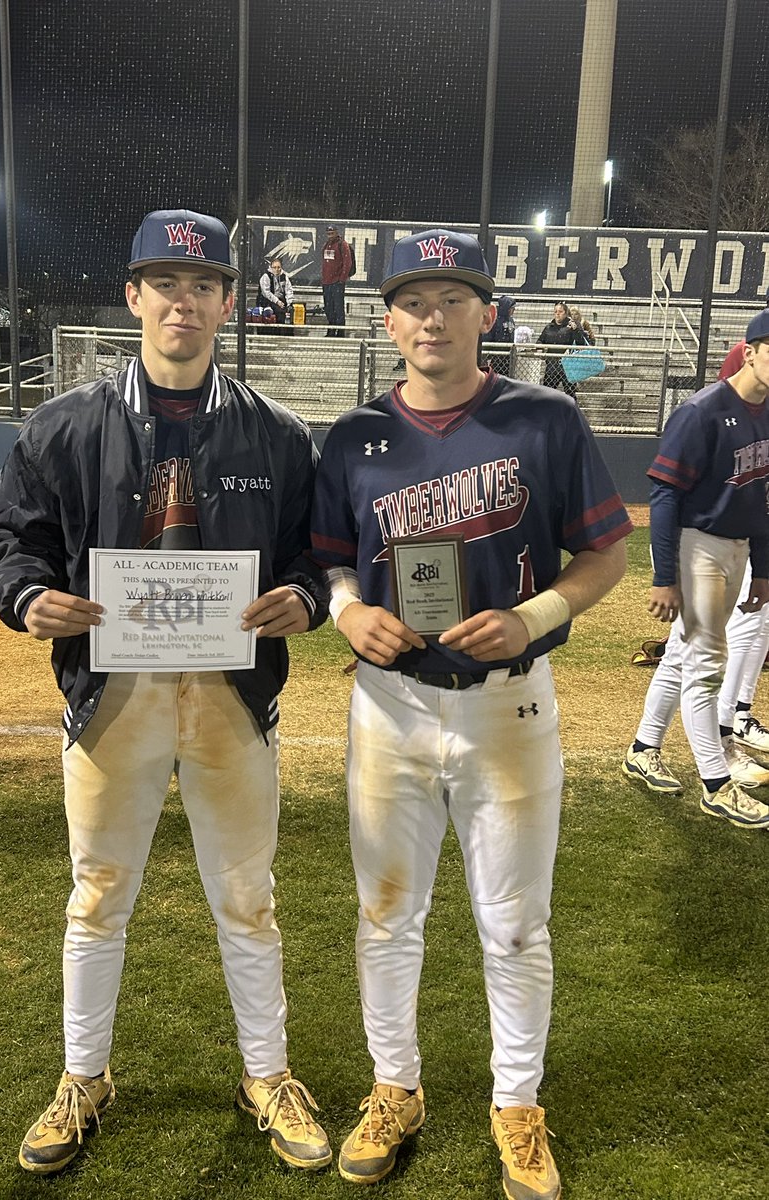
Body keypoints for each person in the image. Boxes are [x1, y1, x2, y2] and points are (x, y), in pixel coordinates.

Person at [0, 208, 332, 1177]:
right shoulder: (64, 424)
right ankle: (83, 1077)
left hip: (232, 696)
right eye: (164, 282)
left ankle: (267, 1074)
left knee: (248, 898)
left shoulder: (282, 435)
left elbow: (321, 552)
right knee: (98, 895)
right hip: (112, 695)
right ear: (134, 297)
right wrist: (27, 594)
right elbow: (6, 537)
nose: (184, 299)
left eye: (203, 283)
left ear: (225, 302)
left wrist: (306, 595)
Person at [310, 228, 631, 1197]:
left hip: (509, 708)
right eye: (414, 301)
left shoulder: (545, 420)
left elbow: (606, 556)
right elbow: (326, 560)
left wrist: (534, 616)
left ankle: (517, 1106)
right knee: (385, 917)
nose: (432, 318)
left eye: (452, 299)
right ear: (388, 320)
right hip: (390, 710)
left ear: (486, 315)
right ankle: (394, 1089)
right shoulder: (354, 436)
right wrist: (348, 610)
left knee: (517, 927)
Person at [622, 308, 769, 828]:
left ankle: (643, 749)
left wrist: (765, 569)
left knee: (683, 656)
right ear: (749, 352)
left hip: (737, 548)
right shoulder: (703, 410)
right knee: (707, 662)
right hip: (699, 545)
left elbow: (762, 499)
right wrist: (664, 576)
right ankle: (716, 782)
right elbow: (663, 495)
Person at [537, 301, 586, 396]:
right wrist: (541, 348)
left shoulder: (573, 325)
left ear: (566, 313)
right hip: (552, 367)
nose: (557, 314)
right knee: (546, 394)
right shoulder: (549, 327)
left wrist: (575, 330)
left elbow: (581, 342)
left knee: (570, 395)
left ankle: (570, 410)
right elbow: (540, 341)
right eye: (555, 311)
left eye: (560, 311)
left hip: (568, 367)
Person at [321, 224, 353, 337]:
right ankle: (331, 329)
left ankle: (340, 331)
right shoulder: (326, 245)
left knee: (338, 307)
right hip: (326, 282)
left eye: (332, 233)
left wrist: (342, 279)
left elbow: (347, 263)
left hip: (337, 282)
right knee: (328, 307)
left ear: (337, 232)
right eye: (328, 234)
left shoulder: (342, 245)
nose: (330, 236)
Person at [258, 258, 294, 327]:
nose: (277, 269)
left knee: (290, 312)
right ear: (271, 267)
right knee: (279, 312)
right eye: (274, 267)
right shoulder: (266, 276)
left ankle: (286, 333)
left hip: (281, 300)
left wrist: (289, 303)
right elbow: (266, 293)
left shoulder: (284, 276)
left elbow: (289, 290)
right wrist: (277, 301)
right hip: (267, 301)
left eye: (278, 267)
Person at [489, 294, 517, 376]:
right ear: (507, 308)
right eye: (512, 308)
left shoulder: (511, 320)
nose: (513, 310)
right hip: (496, 357)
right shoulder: (496, 320)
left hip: (508, 357)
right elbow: (489, 336)